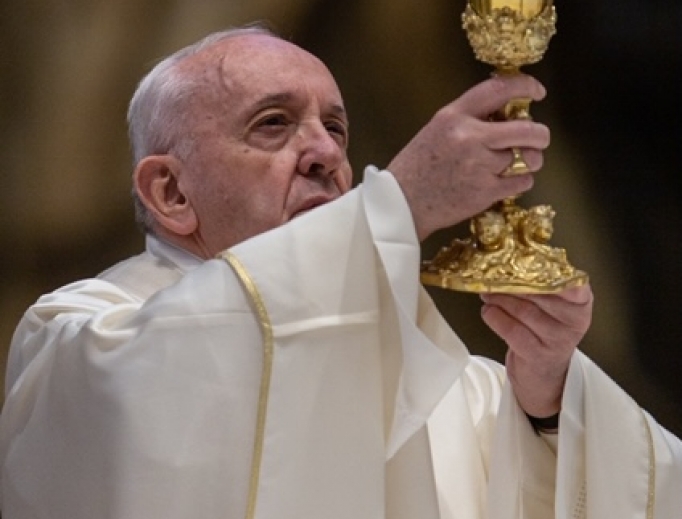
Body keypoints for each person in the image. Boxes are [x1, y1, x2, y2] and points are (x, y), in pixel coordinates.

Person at [0, 24, 680, 519]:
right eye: (273, 124)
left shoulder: (438, 379)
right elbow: (162, 395)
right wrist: (403, 203)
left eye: (337, 128)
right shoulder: (78, 339)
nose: (325, 151)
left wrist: (547, 402)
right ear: (171, 194)